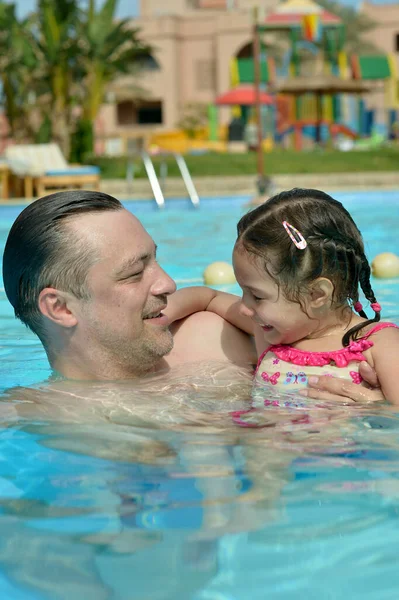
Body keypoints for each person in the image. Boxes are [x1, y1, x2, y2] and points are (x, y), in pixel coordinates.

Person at [2, 189, 382, 408]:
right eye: (136, 273)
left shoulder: (219, 340)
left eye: (156, 258)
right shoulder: (32, 415)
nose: (167, 283)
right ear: (61, 308)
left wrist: (373, 412)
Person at [165, 187, 398, 406]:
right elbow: (209, 297)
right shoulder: (267, 329)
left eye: (256, 296)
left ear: (317, 294)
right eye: (242, 291)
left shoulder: (378, 345)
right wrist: (163, 314)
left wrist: (373, 406)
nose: (244, 307)